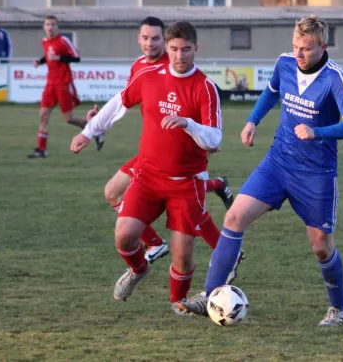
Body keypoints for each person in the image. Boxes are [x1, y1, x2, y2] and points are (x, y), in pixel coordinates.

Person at [177, 15, 343, 327]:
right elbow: (271, 91)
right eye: (295, 46)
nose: (298, 54)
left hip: (315, 175)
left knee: (321, 246)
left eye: (305, 48)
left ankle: (337, 308)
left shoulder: (336, 79)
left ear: (323, 46)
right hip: (277, 163)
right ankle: (209, 294)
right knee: (234, 217)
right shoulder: (285, 63)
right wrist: (253, 120)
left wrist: (318, 132)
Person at [71, 21, 236, 312]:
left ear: (195, 48)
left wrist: (188, 123)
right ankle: (138, 269)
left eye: (186, 49)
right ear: (167, 48)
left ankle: (178, 303)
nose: (179, 56)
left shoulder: (205, 88)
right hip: (148, 176)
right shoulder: (148, 76)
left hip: (187, 181)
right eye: (174, 49)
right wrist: (88, 132)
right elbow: (118, 104)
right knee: (124, 233)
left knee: (182, 255)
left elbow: (215, 137)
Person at [28, 15, 104, 158]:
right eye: (47, 24)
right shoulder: (44, 41)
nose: (50, 27)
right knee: (43, 115)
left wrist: (59, 58)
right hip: (50, 83)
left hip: (63, 82)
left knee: (68, 119)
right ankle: (41, 150)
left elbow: (76, 58)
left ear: (57, 27)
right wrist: (39, 61)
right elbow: (48, 56)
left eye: (53, 24)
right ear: (44, 27)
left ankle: (96, 130)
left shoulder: (63, 41)